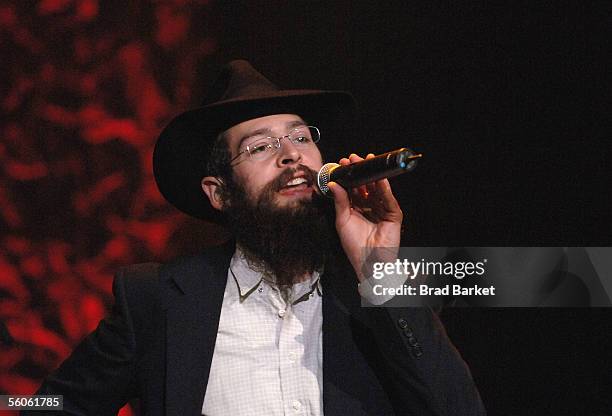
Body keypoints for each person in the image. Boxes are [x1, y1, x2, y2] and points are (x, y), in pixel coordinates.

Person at [26, 60, 485, 415]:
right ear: (220, 192)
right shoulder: (159, 299)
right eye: (261, 147)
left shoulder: (381, 292)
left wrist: (377, 269)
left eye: (302, 137)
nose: (292, 156)